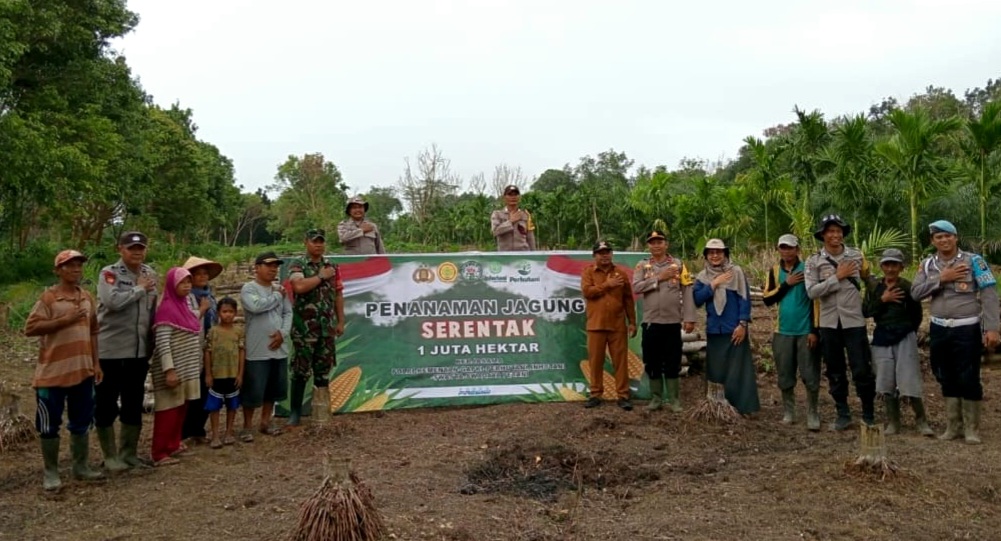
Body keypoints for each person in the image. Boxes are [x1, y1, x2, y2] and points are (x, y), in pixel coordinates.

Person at [912, 220, 1000, 444]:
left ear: (955, 237)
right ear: (933, 241)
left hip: (967, 328)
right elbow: (915, 293)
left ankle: (971, 428)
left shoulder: (974, 261)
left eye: (947, 236)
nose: (943, 240)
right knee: (944, 374)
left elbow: (989, 294)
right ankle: (953, 426)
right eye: (938, 237)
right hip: (939, 328)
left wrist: (992, 328)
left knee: (969, 376)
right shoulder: (928, 265)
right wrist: (941, 279)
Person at [24, 250, 105, 490]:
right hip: (52, 375)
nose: (75, 269)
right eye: (69, 266)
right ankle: (51, 472)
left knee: (82, 421)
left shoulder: (87, 297)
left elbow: (93, 332)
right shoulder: (49, 298)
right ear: (58, 271)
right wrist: (65, 320)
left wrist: (96, 363)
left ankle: (80, 467)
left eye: (79, 265)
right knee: (49, 425)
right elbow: (31, 328)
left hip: (82, 371)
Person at [805, 214, 876, 430]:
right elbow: (811, 292)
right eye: (830, 231)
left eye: (838, 231)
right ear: (823, 235)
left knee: (862, 368)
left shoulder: (856, 255)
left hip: (854, 321)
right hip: (828, 322)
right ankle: (842, 412)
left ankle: (868, 412)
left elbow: (869, 279)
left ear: (843, 233)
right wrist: (837, 277)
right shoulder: (813, 261)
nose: (834, 235)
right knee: (835, 370)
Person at [95, 230, 158, 471]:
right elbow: (112, 302)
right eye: (131, 248)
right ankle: (110, 457)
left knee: (134, 402)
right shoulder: (109, 273)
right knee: (106, 403)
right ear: (120, 249)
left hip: (138, 351)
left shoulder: (150, 273)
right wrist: (139, 289)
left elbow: (152, 310)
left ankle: (129, 453)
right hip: (110, 351)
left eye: (141, 247)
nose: (137, 252)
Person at [864, 248, 931, 436]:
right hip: (882, 337)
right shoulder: (874, 287)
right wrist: (883, 300)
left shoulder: (908, 287)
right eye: (887, 264)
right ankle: (893, 422)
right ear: (881, 266)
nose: (890, 269)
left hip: (904, 336)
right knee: (885, 379)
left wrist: (909, 330)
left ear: (901, 267)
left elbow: (916, 314)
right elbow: (866, 311)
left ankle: (921, 421)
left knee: (909, 378)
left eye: (894, 265)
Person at [631, 229, 696, 412]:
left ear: (666, 244)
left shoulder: (678, 264)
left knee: (673, 361)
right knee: (652, 361)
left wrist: (690, 318)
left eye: (660, 242)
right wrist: (659, 278)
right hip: (651, 322)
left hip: (672, 322)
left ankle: (674, 400)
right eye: (652, 242)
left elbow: (687, 290)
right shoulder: (642, 266)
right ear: (648, 246)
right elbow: (636, 287)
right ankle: (656, 399)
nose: (656, 245)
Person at [694, 239, 760, 415]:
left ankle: (742, 407)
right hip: (715, 330)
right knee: (716, 369)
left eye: (719, 252)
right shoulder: (702, 277)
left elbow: (744, 299)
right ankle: (719, 408)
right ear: (706, 255)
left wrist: (743, 324)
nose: (715, 255)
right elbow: (697, 300)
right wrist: (713, 284)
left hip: (734, 329)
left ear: (725, 254)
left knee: (738, 368)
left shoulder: (736, 272)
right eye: (711, 252)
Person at [287, 229, 346, 426]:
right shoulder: (298, 265)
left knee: (323, 371)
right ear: (306, 243)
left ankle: (321, 411)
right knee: (300, 371)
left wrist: (340, 321)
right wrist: (320, 276)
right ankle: (295, 413)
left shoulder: (332, 266)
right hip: (305, 329)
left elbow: (338, 294)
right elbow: (299, 287)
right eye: (314, 241)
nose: (319, 245)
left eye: (321, 241)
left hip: (326, 328)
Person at [762, 234, 821, 430]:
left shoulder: (808, 269)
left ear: (797, 249)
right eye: (783, 248)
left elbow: (816, 301)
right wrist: (787, 283)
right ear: (778, 249)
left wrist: (814, 330)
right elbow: (768, 299)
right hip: (783, 330)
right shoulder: (775, 271)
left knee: (810, 373)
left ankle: (813, 412)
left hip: (805, 330)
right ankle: (789, 411)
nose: (786, 251)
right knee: (785, 373)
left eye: (790, 247)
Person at [149, 267, 203, 466]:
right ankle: (159, 452)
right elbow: (162, 343)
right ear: (172, 285)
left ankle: (173, 444)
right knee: (167, 411)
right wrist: (169, 370)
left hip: (186, 367)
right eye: (182, 282)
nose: (187, 286)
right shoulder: (167, 310)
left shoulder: (186, 309)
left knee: (181, 408)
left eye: (189, 282)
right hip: (172, 369)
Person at [240, 251, 293, 441]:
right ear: (257, 267)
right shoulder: (249, 288)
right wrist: (278, 296)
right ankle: (247, 426)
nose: (273, 269)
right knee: (253, 389)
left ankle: (265, 422)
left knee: (273, 388)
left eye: (276, 266)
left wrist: (283, 333)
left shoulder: (279, 289)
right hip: (257, 349)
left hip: (278, 348)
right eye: (269, 265)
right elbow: (256, 306)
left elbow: (288, 313)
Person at [581, 241, 637, 410]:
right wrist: (608, 285)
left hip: (617, 325)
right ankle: (596, 394)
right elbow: (587, 292)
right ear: (594, 255)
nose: (604, 255)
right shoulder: (588, 272)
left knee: (620, 361)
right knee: (595, 361)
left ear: (611, 254)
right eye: (600, 252)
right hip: (595, 325)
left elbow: (628, 299)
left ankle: (623, 395)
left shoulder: (621, 273)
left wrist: (632, 322)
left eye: (607, 252)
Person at [180, 256, 223, 445]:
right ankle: (184, 430)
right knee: (191, 389)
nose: (202, 277)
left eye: (205, 273)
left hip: (210, 346)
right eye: (198, 274)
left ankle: (198, 428)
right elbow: (186, 322)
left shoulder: (209, 295)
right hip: (192, 348)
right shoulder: (185, 297)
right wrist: (202, 311)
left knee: (208, 388)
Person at [204, 297, 245, 448]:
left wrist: (240, 374)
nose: (227, 315)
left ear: (235, 313)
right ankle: (215, 435)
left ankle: (229, 432)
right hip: (216, 375)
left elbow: (241, 353)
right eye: (224, 311)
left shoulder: (238, 332)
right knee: (214, 407)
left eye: (231, 312)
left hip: (233, 374)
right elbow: (207, 352)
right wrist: (208, 374)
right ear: (218, 313)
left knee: (232, 405)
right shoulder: (213, 331)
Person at [490, 184, 536, 251]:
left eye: (515, 195)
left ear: (519, 197)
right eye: (510, 195)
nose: (513, 197)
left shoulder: (525, 214)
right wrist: (510, 221)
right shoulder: (497, 214)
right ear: (504, 197)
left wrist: (534, 254)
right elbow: (495, 232)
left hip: (523, 256)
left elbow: (530, 237)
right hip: (504, 256)